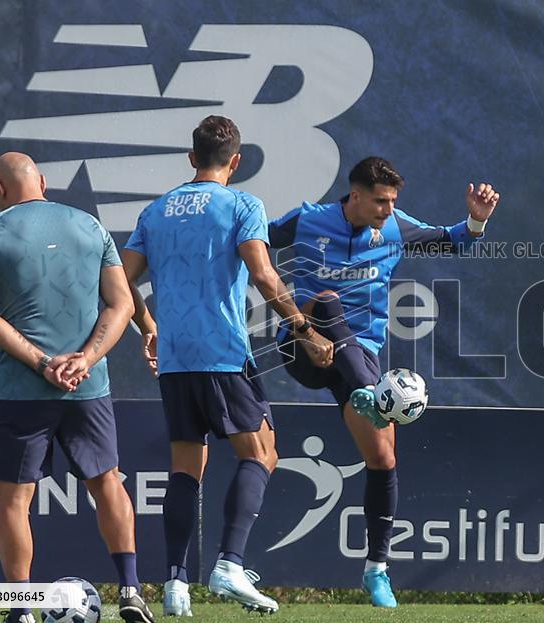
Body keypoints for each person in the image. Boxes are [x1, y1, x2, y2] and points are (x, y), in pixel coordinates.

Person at [121, 115, 332, 617]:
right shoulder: (242, 204)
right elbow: (263, 273)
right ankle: (230, 564)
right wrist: (305, 330)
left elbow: (120, 281)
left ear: (191, 158)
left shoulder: (156, 210)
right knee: (262, 452)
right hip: (222, 352)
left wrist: (150, 326)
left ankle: (175, 583)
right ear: (235, 162)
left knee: (185, 465)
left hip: (175, 359)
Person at [267, 156, 499, 607]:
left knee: (383, 457)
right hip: (303, 345)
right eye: (380, 201)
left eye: (392, 201)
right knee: (327, 300)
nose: (388, 210)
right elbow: (254, 243)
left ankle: (377, 571)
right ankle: (373, 394)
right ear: (355, 196)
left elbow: (453, 241)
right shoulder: (308, 220)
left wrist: (477, 219)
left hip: (356, 359)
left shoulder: (395, 226)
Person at [0, 153, 153, 623]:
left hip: (22, 390)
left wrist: (44, 363)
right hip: (88, 385)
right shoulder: (91, 226)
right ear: (44, 182)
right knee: (107, 482)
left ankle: (20, 608)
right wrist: (85, 359)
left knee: (15, 499)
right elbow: (123, 306)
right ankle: (131, 590)